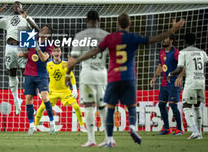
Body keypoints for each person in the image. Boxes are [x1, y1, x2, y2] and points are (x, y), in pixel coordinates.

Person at [67, 13, 185, 147]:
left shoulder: (110, 38)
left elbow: (94, 51)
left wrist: (76, 60)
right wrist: (172, 30)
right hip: (128, 77)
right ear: (130, 24)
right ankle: (133, 127)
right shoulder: (133, 37)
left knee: (109, 108)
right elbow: (154, 39)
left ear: (117, 24)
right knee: (131, 106)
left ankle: (109, 139)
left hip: (113, 77)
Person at [66, 10, 109, 147]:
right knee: (102, 106)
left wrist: (68, 74)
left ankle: (91, 139)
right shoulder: (107, 36)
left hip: (88, 74)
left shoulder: (80, 36)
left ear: (86, 21)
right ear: (99, 20)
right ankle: (109, 138)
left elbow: (73, 58)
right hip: (102, 74)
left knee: (89, 106)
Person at [0, 2, 38, 115]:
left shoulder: (27, 18)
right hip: (9, 48)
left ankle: (29, 104)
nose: (15, 7)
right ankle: (17, 101)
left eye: (18, 5)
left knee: (25, 75)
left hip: (22, 48)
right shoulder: (7, 18)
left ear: (22, 8)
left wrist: (26, 17)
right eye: (14, 5)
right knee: (11, 73)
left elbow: (36, 29)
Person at [167, 33, 208, 140]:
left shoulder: (183, 53)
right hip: (201, 82)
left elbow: (180, 68)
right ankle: (199, 133)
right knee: (197, 106)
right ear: (194, 41)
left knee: (186, 106)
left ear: (185, 41)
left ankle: (194, 131)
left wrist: (171, 74)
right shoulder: (202, 52)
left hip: (191, 82)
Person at [34, 46, 86, 132]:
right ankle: (35, 126)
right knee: (41, 108)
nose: (56, 53)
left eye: (58, 51)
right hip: (52, 91)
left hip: (65, 91)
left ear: (60, 53)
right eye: (54, 51)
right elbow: (41, 76)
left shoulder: (66, 64)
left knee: (76, 106)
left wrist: (74, 88)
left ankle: (82, 126)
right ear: (52, 53)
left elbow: (71, 76)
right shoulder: (48, 64)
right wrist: (40, 88)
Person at [18, 25, 55, 135]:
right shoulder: (32, 39)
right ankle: (31, 126)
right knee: (28, 99)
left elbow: (44, 58)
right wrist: (22, 55)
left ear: (47, 34)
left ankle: (52, 123)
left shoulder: (49, 46)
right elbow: (29, 52)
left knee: (45, 97)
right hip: (29, 73)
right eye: (41, 29)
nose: (41, 30)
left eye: (44, 29)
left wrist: (37, 47)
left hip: (41, 75)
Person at [150, 35, 184, 135]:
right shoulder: (161, 52)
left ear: (171, 40)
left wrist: (179, 77)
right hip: (164, 83)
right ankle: (167, 129)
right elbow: (160, 65)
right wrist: (154, 77)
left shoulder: (176, 53)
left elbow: (183, 66)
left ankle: (179, 129)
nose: (163, 40)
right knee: (161, 104)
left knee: (173, 105)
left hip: (174, 83)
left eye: (166, 38)